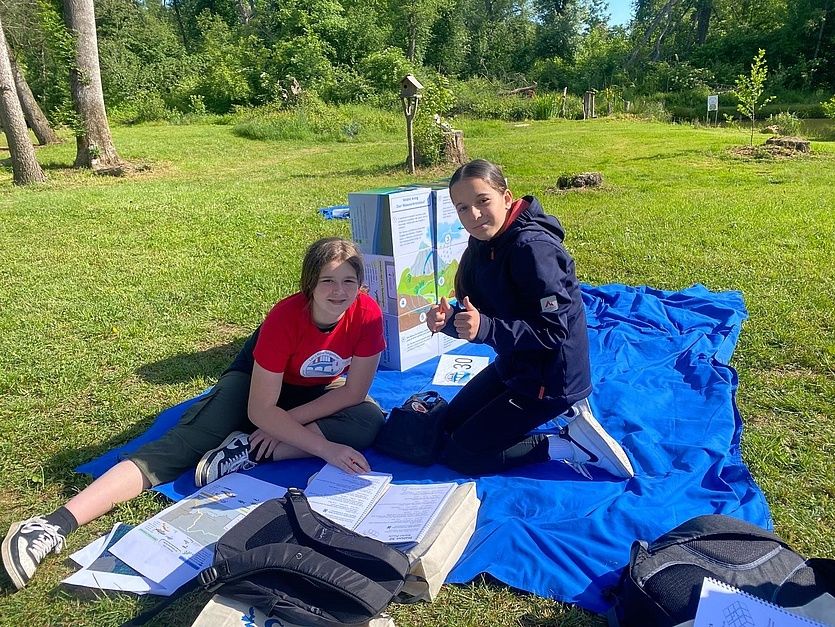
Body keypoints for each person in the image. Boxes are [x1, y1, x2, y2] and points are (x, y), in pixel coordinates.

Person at [2, 237, 387, 590]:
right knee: (183, 445)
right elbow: (260, 408)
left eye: (348, 282)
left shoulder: (367, 314)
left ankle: (248, 451)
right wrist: (324, 448)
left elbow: (354, 392)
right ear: (309, 284)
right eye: (327, 281)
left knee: (368, 421)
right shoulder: (285, 318)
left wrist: (284, 428)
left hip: (313, 392)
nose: (338, 292)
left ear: (361, 286)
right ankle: (51, 525)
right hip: (254, 386)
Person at [426, 159, 634, 478]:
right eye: (463, 208)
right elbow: (480, 314)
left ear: (507, 198)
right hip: (514, 365)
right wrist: (450, 320)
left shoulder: (534, 249)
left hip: (550, 380)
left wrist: (485, 328)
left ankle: (570, 445)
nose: (474, 215)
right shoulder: (483, 242)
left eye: (483, 201)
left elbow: (553, 331)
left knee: (462, 455)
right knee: (446, 426)